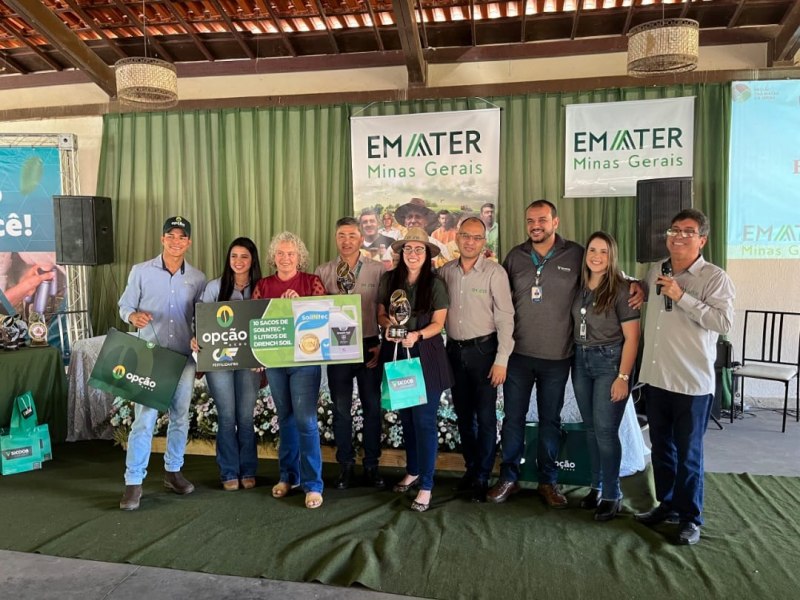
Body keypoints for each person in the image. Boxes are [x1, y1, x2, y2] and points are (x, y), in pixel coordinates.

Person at [489, 200, 642, 508]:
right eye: (530, 220)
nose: (536, 225)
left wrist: (638, 284)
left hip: (558, 358)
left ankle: (548, 482)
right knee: (513, 420)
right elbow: (498, 296)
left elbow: (606, 272)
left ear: (555, 222)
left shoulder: (575, 253)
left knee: (550, 422)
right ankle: (508, 479)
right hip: (518, 355)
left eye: (542, 219)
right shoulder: (515, 257)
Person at [634, 209, 734, 545]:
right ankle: (668, 506)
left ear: (702, 239)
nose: (678, 236)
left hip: (692, 384)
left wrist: (683, 297)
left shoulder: (714, 277)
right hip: (657, 378)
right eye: (674, 230)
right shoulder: (656, 270)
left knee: (689, 453)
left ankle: (691, 518)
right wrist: (639, 291)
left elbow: (723, 323)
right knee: (662, 448)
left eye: (688, 231)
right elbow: (647, 298)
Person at [118, 216, 206, 511]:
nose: (176, 241)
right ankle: (133, 483)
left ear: (189, 242)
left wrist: (200, 338)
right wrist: (133, 317)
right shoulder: (141, 272)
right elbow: (124, 306)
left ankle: (173, 472)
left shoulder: (197, 278)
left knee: (180, 417)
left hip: (182, 358)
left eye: (182, 237)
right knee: (144, 421)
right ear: (162, 238)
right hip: (149, 356)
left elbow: (200, 319)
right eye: (171, 235)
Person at [377, 228, 453, 512]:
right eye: (408, 249)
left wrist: (417, 335)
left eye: (418, 249)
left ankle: (427, 485)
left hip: (425, 355)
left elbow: (439, 323)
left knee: (424, 420)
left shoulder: (435, 284)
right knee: (407, 418)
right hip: (397, 354)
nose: (412, 254)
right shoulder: (389, 280)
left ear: (427, 254)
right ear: (401, 253)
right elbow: (381, 313)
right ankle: (414, 469)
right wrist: (389, 328)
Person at [440, 217, 515, 502]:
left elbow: (506, 318)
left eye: (476, 237)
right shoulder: (446, 272)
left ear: (485, 242)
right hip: (454, 352)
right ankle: (471, 470)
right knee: (463, 417)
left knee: (485, 418)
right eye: (465, 236)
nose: (470, 242)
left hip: (485, 352)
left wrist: (502, 359)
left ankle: (483, 475)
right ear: (457, 239)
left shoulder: (495, 273)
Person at [252, 231, 328, 509]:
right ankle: (288, 476)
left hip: (305, 364)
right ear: (273, 257)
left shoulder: (312, 282)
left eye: (291, 253)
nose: (285, 258)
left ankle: (313, 484)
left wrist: (300, 304)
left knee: (306, 421)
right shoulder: (263, 285)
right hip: (275, 363)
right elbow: (256, 324)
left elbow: (324, 320)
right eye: (281, 253)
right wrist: (258, 354)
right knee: (285, 419)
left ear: (300, 257)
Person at [571, 231, 640, 521]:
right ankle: (596, 487)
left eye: (603, 251)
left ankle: (613, 495)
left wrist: (623, 377)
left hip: (609, 362)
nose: (596, 256)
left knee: (606, 431)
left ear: (611, 256)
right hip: (580, 360)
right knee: (590, 429)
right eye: (592, 250)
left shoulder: (623, 289)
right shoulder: (579, 285)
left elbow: (633, 338)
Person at [315, 217, 386, 490]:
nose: (347, 240)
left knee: (372, 408)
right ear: (336, 238)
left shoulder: (377, 270)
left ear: (361, 239)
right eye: (342, 235)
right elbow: (317, 311)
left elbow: (383, 311)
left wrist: (381, 344)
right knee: (341, 409)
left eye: (352, 235)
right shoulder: (323, 271)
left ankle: (372, 465)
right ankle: (345, 465)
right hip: (338, 349)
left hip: (370, 346)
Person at [193, 237, 262, 491]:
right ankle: (229, 471)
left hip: (249, 362)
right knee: (227, 416)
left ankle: (249, 469)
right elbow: (200, 321)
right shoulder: (214, 287)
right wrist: (196, 338)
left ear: (252, 259)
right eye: (234, 256)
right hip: (218, 361)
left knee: (245, 417)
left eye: (244, 256)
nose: (238, 261)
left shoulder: (260, 287)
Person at [394, 198, 451, 266]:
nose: (413, 221)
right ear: (405, 222)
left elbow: (448, 270)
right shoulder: (395, 247)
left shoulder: (439, 247)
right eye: (409, 217)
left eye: (418, 217)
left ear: (426, 222)